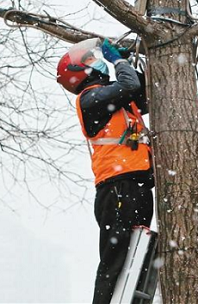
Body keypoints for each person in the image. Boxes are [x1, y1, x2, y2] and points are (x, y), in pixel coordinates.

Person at [56, 39, 154, 304]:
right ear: (83, 70)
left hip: (136, 185)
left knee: (140, 260)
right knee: (115, 263)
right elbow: (130, 85)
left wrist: (129, 63)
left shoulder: (117, 98)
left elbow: (144, 89)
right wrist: (119, 62)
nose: (97, 61)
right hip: (117, 188)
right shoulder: (90, 98)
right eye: (91, 59)